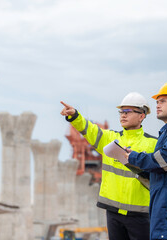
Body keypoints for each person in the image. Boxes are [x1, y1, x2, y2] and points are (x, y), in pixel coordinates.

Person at [60, 92, 157, 240]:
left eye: (128, 111)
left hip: (141, 214)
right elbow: (90, 130)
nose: (123, 115)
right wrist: (74, 116)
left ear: (142, 115)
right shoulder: (110, 138)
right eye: (121, 112)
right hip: (113, 213)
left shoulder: (153, 144)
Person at [125, 82, 167, 240]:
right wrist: (137, 167)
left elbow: (166, 160)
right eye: (157, 102)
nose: (157, 105)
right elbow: (163, 169)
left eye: (162, 101)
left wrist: (136, 157)